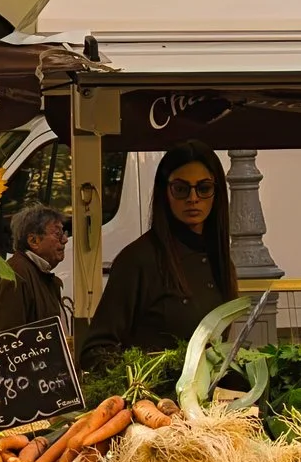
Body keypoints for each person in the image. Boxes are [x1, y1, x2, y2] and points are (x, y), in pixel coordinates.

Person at [86, 147, 239, 359]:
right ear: (165, 192)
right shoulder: (137, 260)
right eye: (181, 188)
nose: (193, 198)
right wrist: (142, 385)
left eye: (203, 188)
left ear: (217, 192)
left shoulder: (221, 261)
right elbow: (95, 350)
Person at [0, 199, 72, 333]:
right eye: (57, 234)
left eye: (64, 233)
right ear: (33, 241)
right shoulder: (16, 273)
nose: (65, 240)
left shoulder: (39, 272)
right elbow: (8, 339)